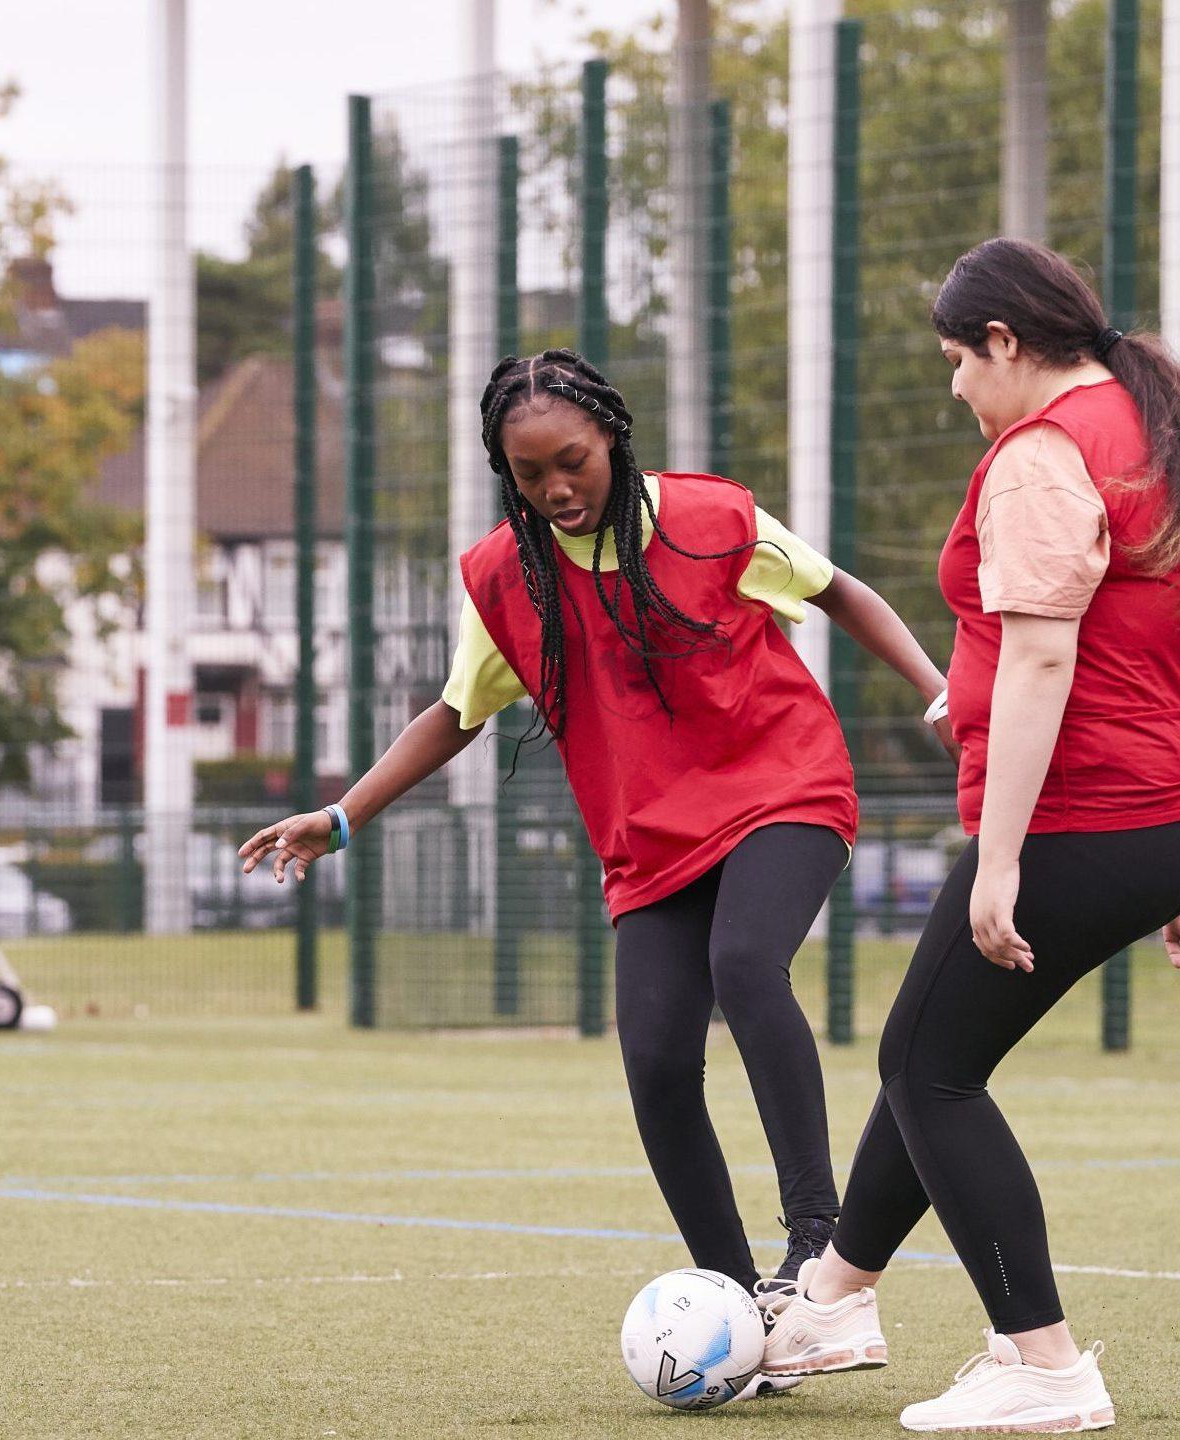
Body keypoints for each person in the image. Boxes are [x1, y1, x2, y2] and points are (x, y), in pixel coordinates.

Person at [239, 349, 950, 1359]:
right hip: (650, 836)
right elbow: (454, 714)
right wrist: (341, 815)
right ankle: (741, 1307)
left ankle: (819, 1259)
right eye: (528, 475)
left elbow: (841, 591)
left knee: (744, 966)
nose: (556, 489)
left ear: (611, 435)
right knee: (656, 1061)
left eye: (571, 461)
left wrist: (936, 691)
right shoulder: (504, 581)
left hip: (782, 784)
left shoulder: (709, 521)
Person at [761, 238, 1180, 1433]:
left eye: (959, 358)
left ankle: (1043, 1363)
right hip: (1152, 814)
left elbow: (1052, 651)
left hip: (1084, 815)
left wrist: (1000, 859)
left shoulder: (1045, 452)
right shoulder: (1152, 427)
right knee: (928, 1053)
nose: (955, 384)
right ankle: (838, 1299)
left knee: (926, 1069)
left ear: (1005, 343)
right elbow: (1162, 642)